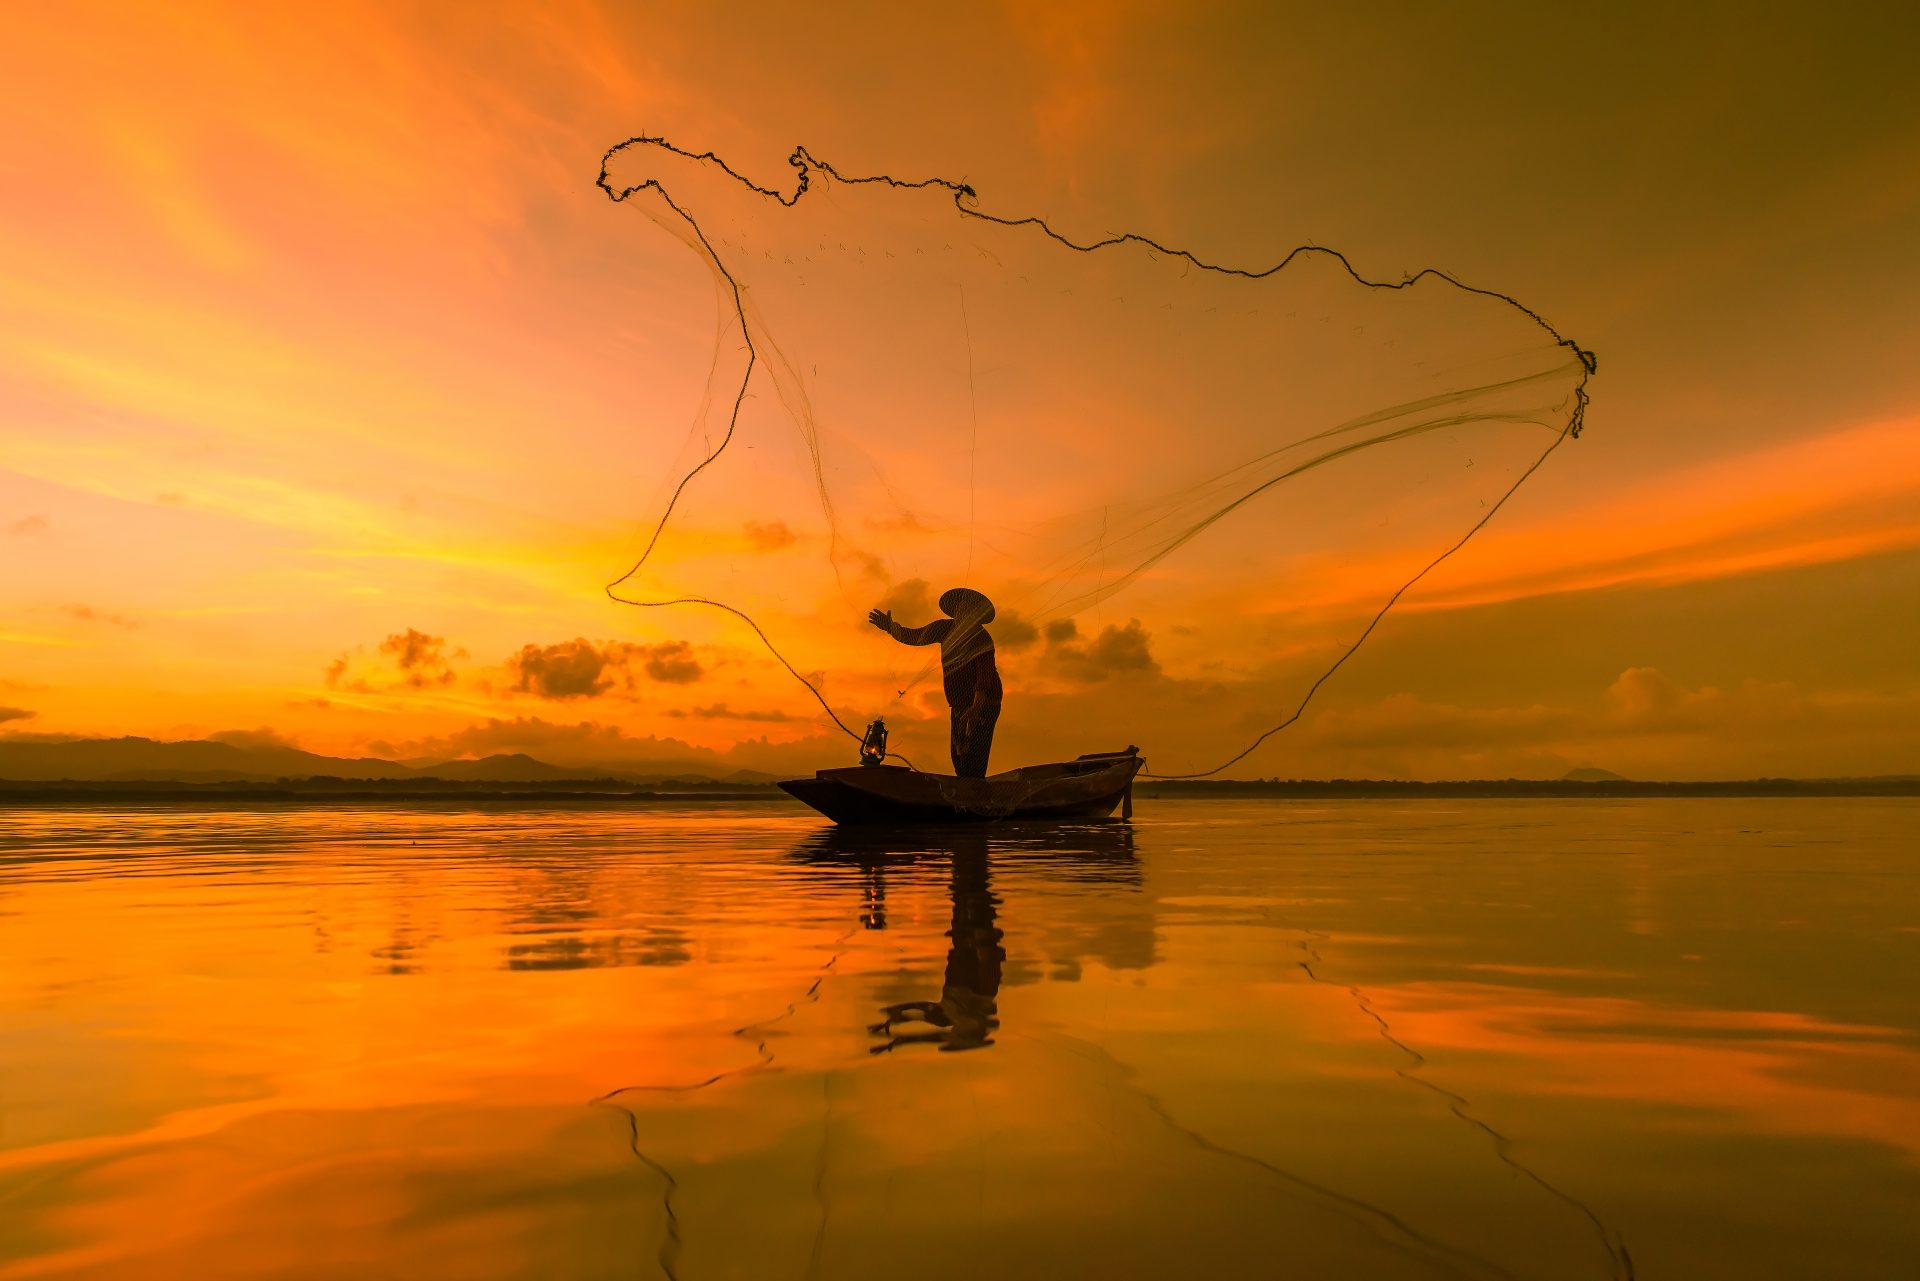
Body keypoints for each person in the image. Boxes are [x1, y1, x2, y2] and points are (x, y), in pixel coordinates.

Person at [867, 587, 1002, 777]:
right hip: (960, 704)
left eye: (968, 609)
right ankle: (964, 796)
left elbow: (985, 676)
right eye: (960, 608)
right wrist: (890, 627)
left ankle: (973, 797)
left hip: (984, 704)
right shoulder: (945, 628)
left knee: (973, 758)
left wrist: (976, 708)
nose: (962, 612)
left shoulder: (981, 638)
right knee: (958, 754)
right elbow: (914, 636)